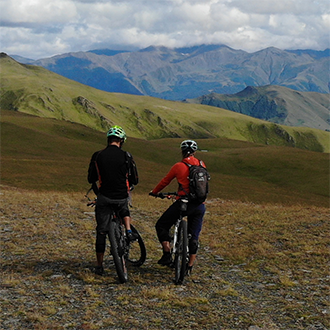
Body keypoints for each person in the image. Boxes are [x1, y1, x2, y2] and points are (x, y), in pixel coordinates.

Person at [149, 139, 207, 275]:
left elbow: (165, 181)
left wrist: (155, 192)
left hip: (183, 204)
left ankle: (167, 254)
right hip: (199, 205)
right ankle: (189, 266)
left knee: (161, 225)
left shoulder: (178, 166)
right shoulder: (202, 164)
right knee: (194, 236)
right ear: (194, 152)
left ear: (182, 151)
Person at [88, 125, 139, 275]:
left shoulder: (97, 155)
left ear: (108, 140)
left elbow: (91, 178)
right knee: (124, 206)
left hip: (104, 197)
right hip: (121, 196)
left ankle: (99, 265)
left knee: (101, 232)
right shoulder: (127, 156)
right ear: (121, 141)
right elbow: (135, 179)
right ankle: (128, 230)